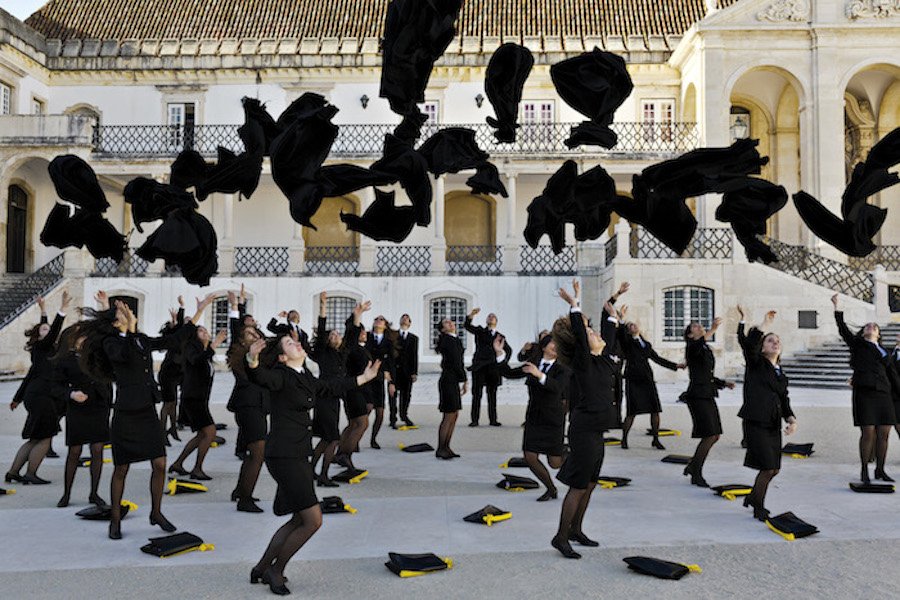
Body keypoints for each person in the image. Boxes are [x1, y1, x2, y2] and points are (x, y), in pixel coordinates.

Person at [245, 333, 380, 596]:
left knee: (299, 518)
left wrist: (364, 378)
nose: (297, 344)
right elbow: (261, 377)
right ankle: (276, 570)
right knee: (313, 521)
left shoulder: (303, 375)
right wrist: (252, 360)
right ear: (282, 357)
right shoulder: (281, 374)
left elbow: (330, 387)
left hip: (297, 453)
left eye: (295, 341)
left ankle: (261, 567)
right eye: (289, 343)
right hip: (284, 456)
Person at [80, 296, 210, 540]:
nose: (129, 313)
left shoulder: (139, 339)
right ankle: (115, 520)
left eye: (128, 311)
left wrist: (198, 312)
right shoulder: (111, 342)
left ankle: (156, 513)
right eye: (123, 313)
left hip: (147, 410)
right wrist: (128, 328)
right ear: (115, 322)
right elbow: (122, 356)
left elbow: (171, 340)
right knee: (121, 468)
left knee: (160, 463)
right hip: (126, 412)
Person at [551, 280, 618, 559]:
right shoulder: (583, 361)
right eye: (591, 332)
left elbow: (610, 335)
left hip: (597, 430)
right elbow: (580, 333)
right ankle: (560, 537)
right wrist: (574, 305)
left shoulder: (603, 359)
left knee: (590, 483)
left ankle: (576, 530)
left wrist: (612, 314)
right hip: (584, 430)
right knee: (578, 485)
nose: (596, 334)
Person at [736, 306, 797, 521]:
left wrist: (791, 419)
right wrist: (764, 325)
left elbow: (784, 399)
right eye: (770, 340)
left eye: (777, 341)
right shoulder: (756, 363)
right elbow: (748, 345)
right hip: (756, 421)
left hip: (772, 424)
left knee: (774, 469)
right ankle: (758, 507)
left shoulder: (780, 373)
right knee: (767, 467)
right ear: (762, 348)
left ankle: (752, 497)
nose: (775, 343)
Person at [832, 294, 900, 483]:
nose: (871, 327)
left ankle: (880, 470)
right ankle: (864, 470)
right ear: (863, 333)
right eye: (868, 326)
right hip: (865, 393)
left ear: (879, 334)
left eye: (874, 327)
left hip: (884, 394)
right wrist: (837, 309)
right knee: (868, 432)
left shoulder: (885, 351)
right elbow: (843, 329)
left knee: (884, 434)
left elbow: (893, 375)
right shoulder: (858, 345)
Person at [496, 332, 570, 501]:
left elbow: (557, 387)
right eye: (553, 343)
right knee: (530, 457)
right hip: (534, 418)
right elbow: (509, 373)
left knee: (554, 463)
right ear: (544, 347)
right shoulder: (533, 364)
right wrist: (500, 353)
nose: (556, 347)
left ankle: (568, 453)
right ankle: (551, 489)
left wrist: (540, 375)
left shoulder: (563, 368)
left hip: (553, 419)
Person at [6, 291, 70, 485]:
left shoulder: (42, 350)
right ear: (38, 335)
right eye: (43, 329)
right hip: (43, 397)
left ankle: (13, 472)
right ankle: (31, 474)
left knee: (34, 438)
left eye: (47, 328)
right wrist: (62, 309)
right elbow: (52, 332)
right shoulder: (43, 347)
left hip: (35, 395)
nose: (47, 330)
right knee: (45, 437)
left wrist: (17, 398)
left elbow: (28, 377)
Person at [51, 313, 113, 508]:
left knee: (97, 450)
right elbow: (55, 386)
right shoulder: (65, 359)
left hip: (99, 406)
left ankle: (94, 493)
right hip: (77, 407)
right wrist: (71, 394)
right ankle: (66, 494)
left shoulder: (98, 355)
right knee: (75, 451)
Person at [167, 310, 228, 481]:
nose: (205, 333)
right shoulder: (191, 348)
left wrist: (210, 347)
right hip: (193, 398)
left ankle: (178, 463)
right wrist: (214, 345)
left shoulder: (204, 351)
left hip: (199, 399)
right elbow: (196, 360)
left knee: (202, 434)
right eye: (201, 331)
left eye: (206, 330)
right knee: (210, 432)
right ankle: (197, 468)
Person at [681, 316, 734, 488]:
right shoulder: (692, 347)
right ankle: (696, 472)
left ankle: (693, 466)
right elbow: (697, 346)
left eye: (699, 325)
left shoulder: (703, 347)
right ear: (690, 335)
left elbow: (706, 374)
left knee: (715, 435)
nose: (699, 327)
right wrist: (713, 329)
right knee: (709, 435)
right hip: (697, 396)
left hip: (707, 394)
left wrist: (723, 383)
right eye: (695, 327)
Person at [619, 317, 684, 450]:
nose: (633, 326)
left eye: (634, 324)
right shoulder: (627, 342)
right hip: (633, 379)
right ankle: (624, 439)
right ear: (628, 331)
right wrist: (621, 321)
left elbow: (657, 358)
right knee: (632, 412)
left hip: (647, 379)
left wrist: (675, 366)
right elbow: (620, 335)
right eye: (630, 326)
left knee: (655, 410)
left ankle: (655, 439)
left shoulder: (646, 344)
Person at [308, 292, 351, 487]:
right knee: (333, 438)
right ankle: (324, 475)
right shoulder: (323, 352)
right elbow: (321, 329)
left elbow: (352, 335)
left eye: (337, 334)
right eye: (331, 335)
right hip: (324, 397)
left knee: (326, 439)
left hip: (334, 399)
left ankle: (311, 471)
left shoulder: (342, 355)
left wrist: (357, 315)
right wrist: (323, 307)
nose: (335, 336)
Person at [226, 319, 269, 513]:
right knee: (258, 454)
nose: (255, 335)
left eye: (256, 332)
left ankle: (240, 490)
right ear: (242, 340)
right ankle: (245, 499)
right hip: (249, 408)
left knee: (252, 455)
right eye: (250, 334)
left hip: (255, 407)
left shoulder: (260, 354)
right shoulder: (241, 356)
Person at [334, 301, 372, 469]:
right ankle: (345, 455)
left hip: (357, 389)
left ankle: (340, 453)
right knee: (362, 424)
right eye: (361, 331)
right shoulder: (350, 346)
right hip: (353, 389)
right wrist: (358, 315)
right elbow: (352, 331)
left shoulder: (358, 348)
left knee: (353, 424)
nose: (364, 333)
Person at [465, 308, 511, 426]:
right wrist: (471, 315)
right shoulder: (480, 331)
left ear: (496, 321)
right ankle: (475, 420)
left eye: (493, 316)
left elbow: (508, 350)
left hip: (493, 368)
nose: (490, 318)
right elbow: (467, 326)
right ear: (486, 321)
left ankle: (493, 420)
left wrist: (502, 362)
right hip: (479, 366)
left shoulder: (500, 336)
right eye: (489, 316)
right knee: (477, 394)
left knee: (492, 395)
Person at [435, 317, 467, 459]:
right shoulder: (448, 340)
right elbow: (456, 362)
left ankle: (446, 446)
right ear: (443, 329)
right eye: (446, 323)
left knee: (454, 414)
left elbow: (459, 361)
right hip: (448, 380)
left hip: (452, 380)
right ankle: (441, 448)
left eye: (450, 321)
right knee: (448, 415)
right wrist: (464, 379)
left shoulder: (455, 339)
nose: (450, 323)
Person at [365, 315, 397, 449]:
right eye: (376, 319)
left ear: (385, 325)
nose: (378, 321)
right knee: (366, 409)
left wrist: (392, 382)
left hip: (379, 380)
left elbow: (391, 363)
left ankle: (373, 439)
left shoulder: (388, 342)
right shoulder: (367, 337)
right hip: (366, 379)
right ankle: (355, 437)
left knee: (380, 412)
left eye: (381, 319)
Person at [158, 296, 186, 445]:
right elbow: (180, 326)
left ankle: (173, 428)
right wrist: (181, 307)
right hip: (168, 375)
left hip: (175, 374)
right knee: (168, 404)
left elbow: (180, 326)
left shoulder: (178, 339)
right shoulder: (172, 341)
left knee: (173, 403)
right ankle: (162, 432)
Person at [390, 313, 418, 428]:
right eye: (403, 318)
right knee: (393, 394)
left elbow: (414, 356)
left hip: (407, 371)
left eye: (407, 319)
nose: (405, 320)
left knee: (406, 394)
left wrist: (414, 372)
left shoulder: (414, 338)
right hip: (395, 370)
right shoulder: (393, 335)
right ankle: (392, 417)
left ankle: (404, 415)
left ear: (410, 323)